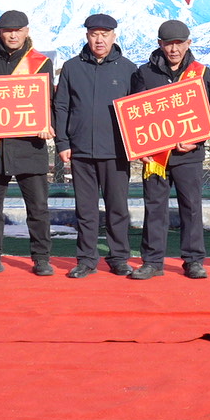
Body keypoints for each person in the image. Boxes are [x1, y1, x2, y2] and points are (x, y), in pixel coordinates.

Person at [128, 20, 210, 280]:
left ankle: (193, 260)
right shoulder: (144, 73)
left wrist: (197, 141)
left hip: (189, 154)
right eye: (168, 44)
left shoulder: (200, 72)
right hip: (155, 157)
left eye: (179, 44)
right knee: (155, 207)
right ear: (160, 44)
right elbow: (135, 113)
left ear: (189, 43)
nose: (174, 49)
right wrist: (140, 148)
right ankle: (152, 261)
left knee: (191, 207)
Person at [0, 10, 55, 277]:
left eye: (18, 30)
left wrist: (47, 123)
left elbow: (49, 101)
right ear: (0, 32)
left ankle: (41, 259)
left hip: (30, 146)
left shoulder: (41, 63)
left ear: (27, 31)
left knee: (37, 208)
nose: (13, 35)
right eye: (8, 30)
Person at [54, 14, 137, 279]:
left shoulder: (128, 69)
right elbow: (61, 106)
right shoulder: (71, 67)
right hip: (81, 151)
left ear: (114, 36)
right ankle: (86, 259)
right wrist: (63, 142)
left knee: (117, 208)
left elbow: (137, 110)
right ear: (87, 36)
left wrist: (136, 145)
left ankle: (119, 258)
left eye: (105, 34)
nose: (99, 40)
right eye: (94, 34)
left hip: (117, 152)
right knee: (86, 210)